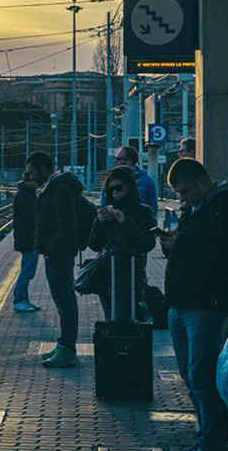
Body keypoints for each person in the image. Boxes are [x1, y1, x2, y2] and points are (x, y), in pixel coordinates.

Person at [160, 158, 228, 451]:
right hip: (181, 302)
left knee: (203, 376)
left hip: (205, 304)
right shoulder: (196, 209)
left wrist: (180, 241)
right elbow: (194, 247)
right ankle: (202, 443)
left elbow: (219, 250)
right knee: (191, 376)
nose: (182, 199)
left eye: (185, 192)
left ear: (200, 181)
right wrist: (174, 243)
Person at [30, 152, 81, 368]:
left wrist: (50, 248)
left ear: (43, 168)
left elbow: (65, 225)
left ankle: (68, 349)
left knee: (65, 301)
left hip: (60, 254)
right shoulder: (56, 187)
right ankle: (64, 345)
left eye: (32, 170)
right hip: (59, 252)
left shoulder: (59, 189)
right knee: (63, 301)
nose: (29, 175)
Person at [88, 166, 156, 321]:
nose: (115, 194)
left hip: (132, 278)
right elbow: (94, 245)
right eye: (110, 190)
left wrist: (125, 222)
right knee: (111, 322)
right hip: (107, 278)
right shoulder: (108, 211)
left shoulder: (143, 212)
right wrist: (99, 222)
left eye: (119, 188)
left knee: (128, 322)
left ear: (130, 188)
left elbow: (147, 244)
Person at [11, 166, 42, 312]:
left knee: (27, 269)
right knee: (27, 271)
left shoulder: (26, 194)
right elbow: (31, 219)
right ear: (32, 182)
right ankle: (19, 299)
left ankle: (24, 299)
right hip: (28, 240)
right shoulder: (26, 196)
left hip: (27, 239)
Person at [107, 145, 158, 211]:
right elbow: (104, 203)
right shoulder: (110, 179)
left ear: (129, 161)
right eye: (115, 158)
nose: (115, 161)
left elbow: (153, 208)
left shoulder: (146, 181)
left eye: (118, 159)